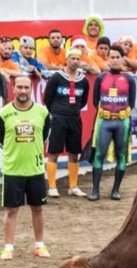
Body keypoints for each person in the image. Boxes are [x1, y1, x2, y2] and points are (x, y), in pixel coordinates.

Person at [0, 75, 51, 260]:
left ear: (31, 88)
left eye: (27, 87)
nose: (23, 91)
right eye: (20, 87)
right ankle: (8, 247)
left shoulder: (42, 112)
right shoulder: (3, 114)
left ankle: (39, 245)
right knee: (11, 210)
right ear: (13, 88)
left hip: (35, 169)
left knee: (38, 208)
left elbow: (44, 134)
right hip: (12, 170)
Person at [88, 45, 136, 201]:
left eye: (117, 57)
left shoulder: (129, 78)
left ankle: (116, 190)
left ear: (122, 59)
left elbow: (132, 102)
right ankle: (95, 190)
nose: (114, 60)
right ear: (108, 59)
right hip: (105, 122)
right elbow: (96, 101)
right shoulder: (101, 78)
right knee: (99, 155)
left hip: (122, 122)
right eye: (112, 57)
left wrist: (120, 114)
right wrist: (106, 113)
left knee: (122, 156)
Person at [43, 48, 90, 198]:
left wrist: (72, 110)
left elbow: (83, 101)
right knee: (54, 153)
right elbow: (47, 99)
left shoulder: (83, 80)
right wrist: (57, 111)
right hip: (58, 118)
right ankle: (51, 186)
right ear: (67, 59)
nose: (75, 61)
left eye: (78, 59)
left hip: (75, 119)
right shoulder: (57, 77)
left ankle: (73, 186)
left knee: (74, 154)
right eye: (73, 58)